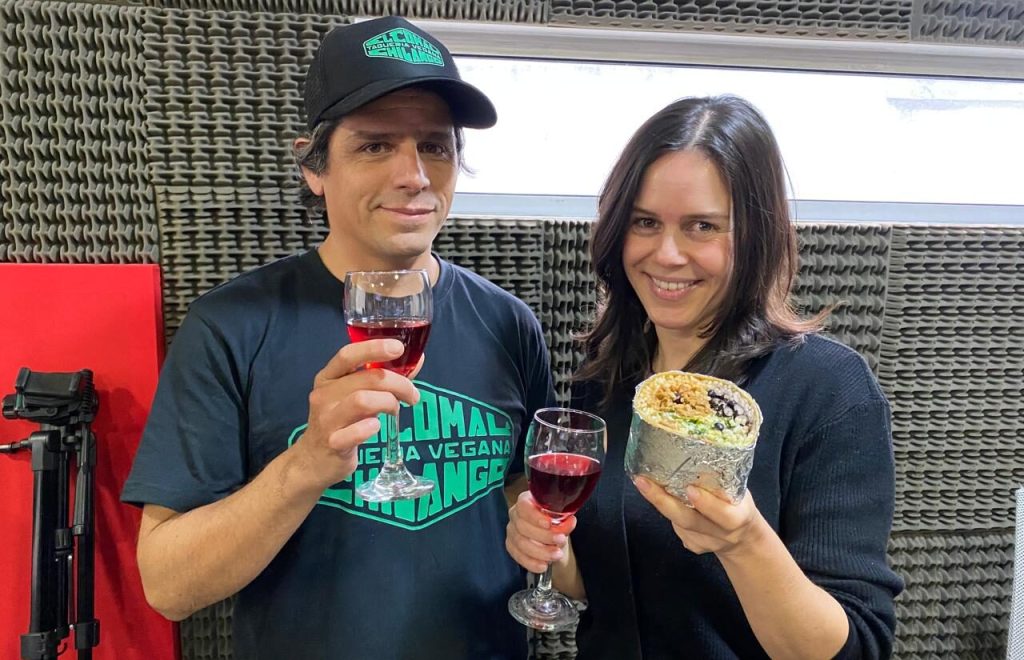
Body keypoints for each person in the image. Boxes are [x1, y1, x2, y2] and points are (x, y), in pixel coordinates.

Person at [122, 16, 553, 660]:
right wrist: (305, 466)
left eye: (435, 146)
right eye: (375, 146)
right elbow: (169, 585)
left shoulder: (510, 323)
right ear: (314, 167)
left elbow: (518, 487)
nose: (415, 175)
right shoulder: (231, 326)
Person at [505, 95, 904, 659]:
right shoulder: (606, 378)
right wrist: (553, 550)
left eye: (702, 226)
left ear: (756, 236)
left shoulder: (830, 390)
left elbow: (856, 648)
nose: (667, 254)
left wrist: (744, 542)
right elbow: (604, 589)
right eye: (645, 222)